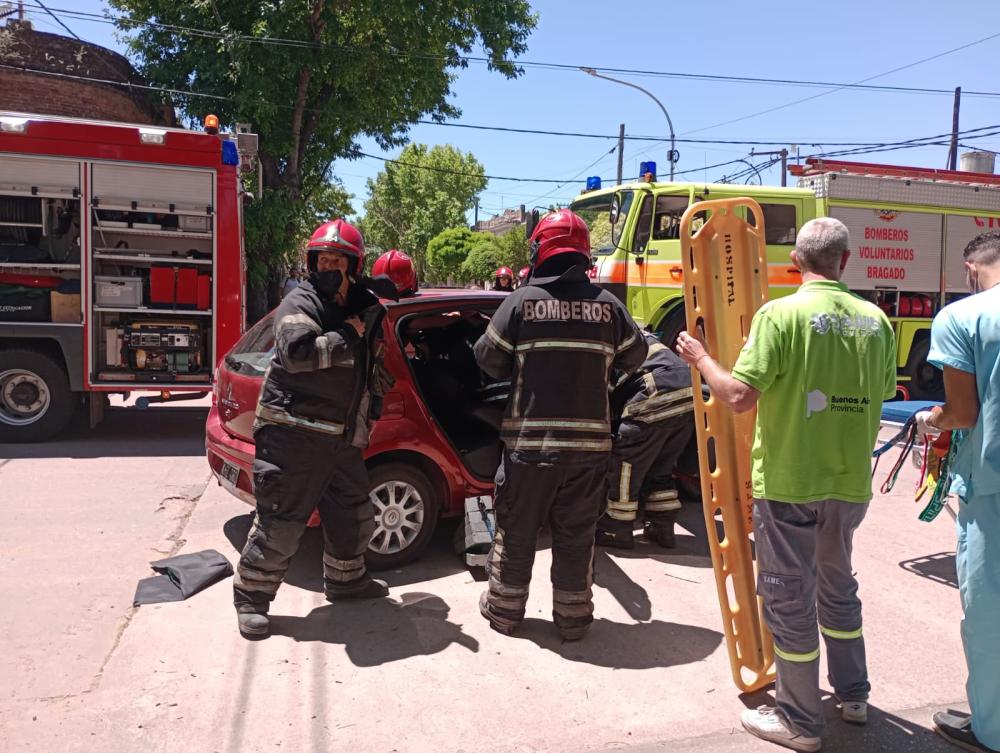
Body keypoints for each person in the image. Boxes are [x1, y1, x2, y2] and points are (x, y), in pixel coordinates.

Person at [675, 217, 896, 752]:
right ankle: (853, 695)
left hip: (791, 482)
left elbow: (738, 397)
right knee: (838, 587)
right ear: (845, 261)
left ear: (795, 263)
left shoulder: (780, 315)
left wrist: (701, 358)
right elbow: (883, 393)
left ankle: (799, 720)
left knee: (787, 599)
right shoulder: (876, 320)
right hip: (848, 483)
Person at [474, 209, 647, 640]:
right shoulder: (610, 308)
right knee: (576, 535)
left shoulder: (520, 303)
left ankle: (505, 611)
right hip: (589, 454)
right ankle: (572, 620)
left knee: (516, 531)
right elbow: (637, 356)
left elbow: (487, 360)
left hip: (530, 451)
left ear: (540, 249)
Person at [233, 219, 391, 639]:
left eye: (339, 259)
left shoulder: (362, 306)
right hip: (293, 434)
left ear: (354, 265)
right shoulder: (300, 303)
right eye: (324, 259)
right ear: (311, 262)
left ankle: (346, 581)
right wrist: (346, 335)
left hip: (339, 436)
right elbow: (297, 354)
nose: (330, 266)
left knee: (355, 514)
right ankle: (251, 596)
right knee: (282, 523)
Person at [914, 231, 1000, 753]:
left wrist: (930, 420)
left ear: (971, 269)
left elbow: (962, 412)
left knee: (989, 612)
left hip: (991, 486)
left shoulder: (963, 317)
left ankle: (991, 729)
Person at [596, 330, 695, 550]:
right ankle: (661, 527)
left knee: (625, 465)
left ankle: (615, 529)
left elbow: (603, 393)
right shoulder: (636, 333)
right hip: (689, 396)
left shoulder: (605, 339)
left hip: (654, 395)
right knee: (660, 466)